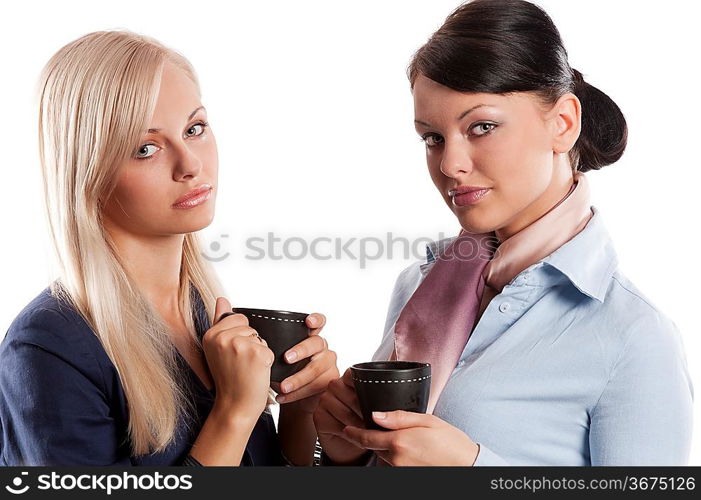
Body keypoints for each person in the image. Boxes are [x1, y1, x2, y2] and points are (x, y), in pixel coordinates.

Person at [313, 0, 693, 466]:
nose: (450, 165)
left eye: (482, 127)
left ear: (562, 124)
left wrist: (472, 469)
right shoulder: (418, 285)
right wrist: (343, 454)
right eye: (433, 138)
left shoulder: (633, 334)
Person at [0, 30, 338, 466]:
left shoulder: (202, 311)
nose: (191, 164)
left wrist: (302, 407)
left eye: (194, 129)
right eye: (145, 148)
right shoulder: (48, 347)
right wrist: (233, 414)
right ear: (87, 173)